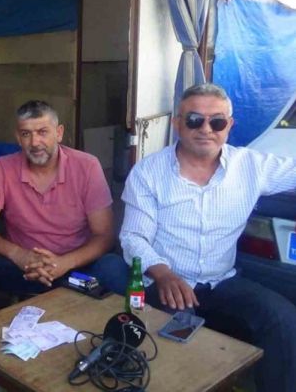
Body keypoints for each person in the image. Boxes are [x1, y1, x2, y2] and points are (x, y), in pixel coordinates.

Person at [120, 83, 296, 392]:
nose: (205, 129)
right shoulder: (148, 172)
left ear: (229, 125)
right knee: (176, 339)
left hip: (221, 280)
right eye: (194, 120)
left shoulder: (251, 166)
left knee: (283, 319)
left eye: (217, 121)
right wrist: (163, 274)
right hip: (167, 282)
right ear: (178, 123)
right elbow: (133, 237)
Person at [0, 100, 129, 321]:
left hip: (74, 271)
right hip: (23, 270)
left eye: (42, 132)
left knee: (114, 267)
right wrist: (18, 254)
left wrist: (64, 263)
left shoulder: (87, 166)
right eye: (26, 134)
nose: (35, 142)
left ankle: (119, 337)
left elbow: (105, 236)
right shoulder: (4, 167)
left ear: (59, 133)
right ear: (18, 137)